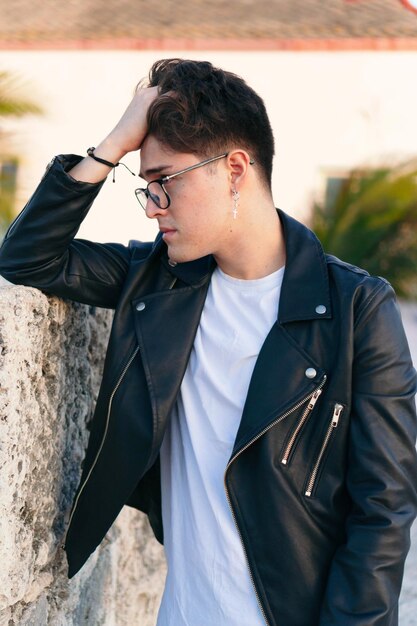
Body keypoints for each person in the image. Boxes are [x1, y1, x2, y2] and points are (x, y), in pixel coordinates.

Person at [0, 58, 416, 626]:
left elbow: (385, 511)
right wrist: (111, 147)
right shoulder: (158, 283)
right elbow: (28, 257)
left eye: (165, 182)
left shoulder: (354, 309)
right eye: (144, 187)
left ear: (236, 169)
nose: (152, 206)